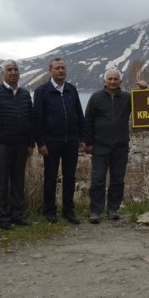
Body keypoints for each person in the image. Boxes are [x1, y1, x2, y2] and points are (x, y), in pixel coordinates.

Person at [0, 60, 34, 230]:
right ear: (3, 73)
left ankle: (17, 215)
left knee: (19, 181)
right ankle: (3, 217)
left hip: (21, 145)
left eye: (16, 70)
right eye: (9, 70)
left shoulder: (25, 94)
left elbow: (30, 121)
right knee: (2, 182)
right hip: (1, 145)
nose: (13, 72)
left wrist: (30, 144)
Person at [33, 58, 86, 225]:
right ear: (50, 70)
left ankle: (69, 210)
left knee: (70, 177)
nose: (61, 71)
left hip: (71, 140)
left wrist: (83, 138)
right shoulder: (42, 90)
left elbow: (79, 115)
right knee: (50, 177)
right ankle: (50, 211)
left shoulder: (71, 89)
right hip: (51, 141)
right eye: (57, 68)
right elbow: (37, 119)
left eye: (63, 68)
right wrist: (40, 142)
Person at [85, 69, 130, 223]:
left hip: (120, 146)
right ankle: (95, 211)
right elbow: (88, 121)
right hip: (100, 146)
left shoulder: (127, 97)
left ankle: (113, 209)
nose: (112, 81)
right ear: (105, 81)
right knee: (98, 179)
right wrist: (89, 143)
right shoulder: (96, 97)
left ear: (120, 81)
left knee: (118, 180)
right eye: (110, 79)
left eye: (115, 79)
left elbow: (143, 105)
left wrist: (144, 89)